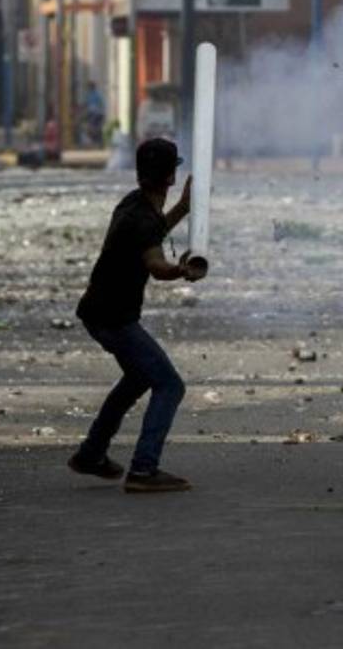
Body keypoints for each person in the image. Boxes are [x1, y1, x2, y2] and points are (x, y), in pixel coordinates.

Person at [70, 138, 205, 493]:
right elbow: (156, 264)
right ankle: (144, 469)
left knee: (137, 378)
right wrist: (181, 271)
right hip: (114, 318)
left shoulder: (133, 204)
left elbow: (153, 231)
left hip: (99, 312)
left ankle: (91, 454)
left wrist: (183, 209)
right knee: (170, 385)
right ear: (171, 176)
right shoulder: (142, 218)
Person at [83, 81, 105, 146]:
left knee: (92, 127)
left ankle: (96, 140)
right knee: (96, 127)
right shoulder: (97, 94)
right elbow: (101, 104)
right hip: (97, 113)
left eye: (89, 87)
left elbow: (86, 104)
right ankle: (97, 140)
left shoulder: (91, 94)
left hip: (94, 114)